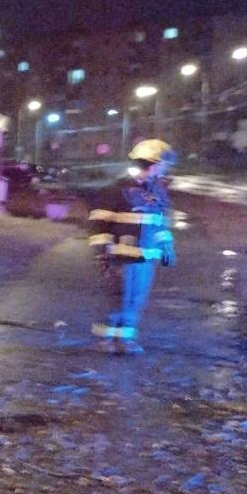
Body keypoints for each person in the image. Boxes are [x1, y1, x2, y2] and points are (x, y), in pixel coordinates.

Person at [88, 138, 177, 355]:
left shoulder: (157, 192)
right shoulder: (116, 190)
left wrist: (166, 245)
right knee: (116, 300)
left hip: (145, 259)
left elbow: (160, 223)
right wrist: (102, 253)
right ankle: (105, 339)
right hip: (120, 259)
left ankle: (125, 340)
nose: (163, 170)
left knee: (136, 301)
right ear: (153, 165)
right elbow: (99, 223)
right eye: (162, 165)